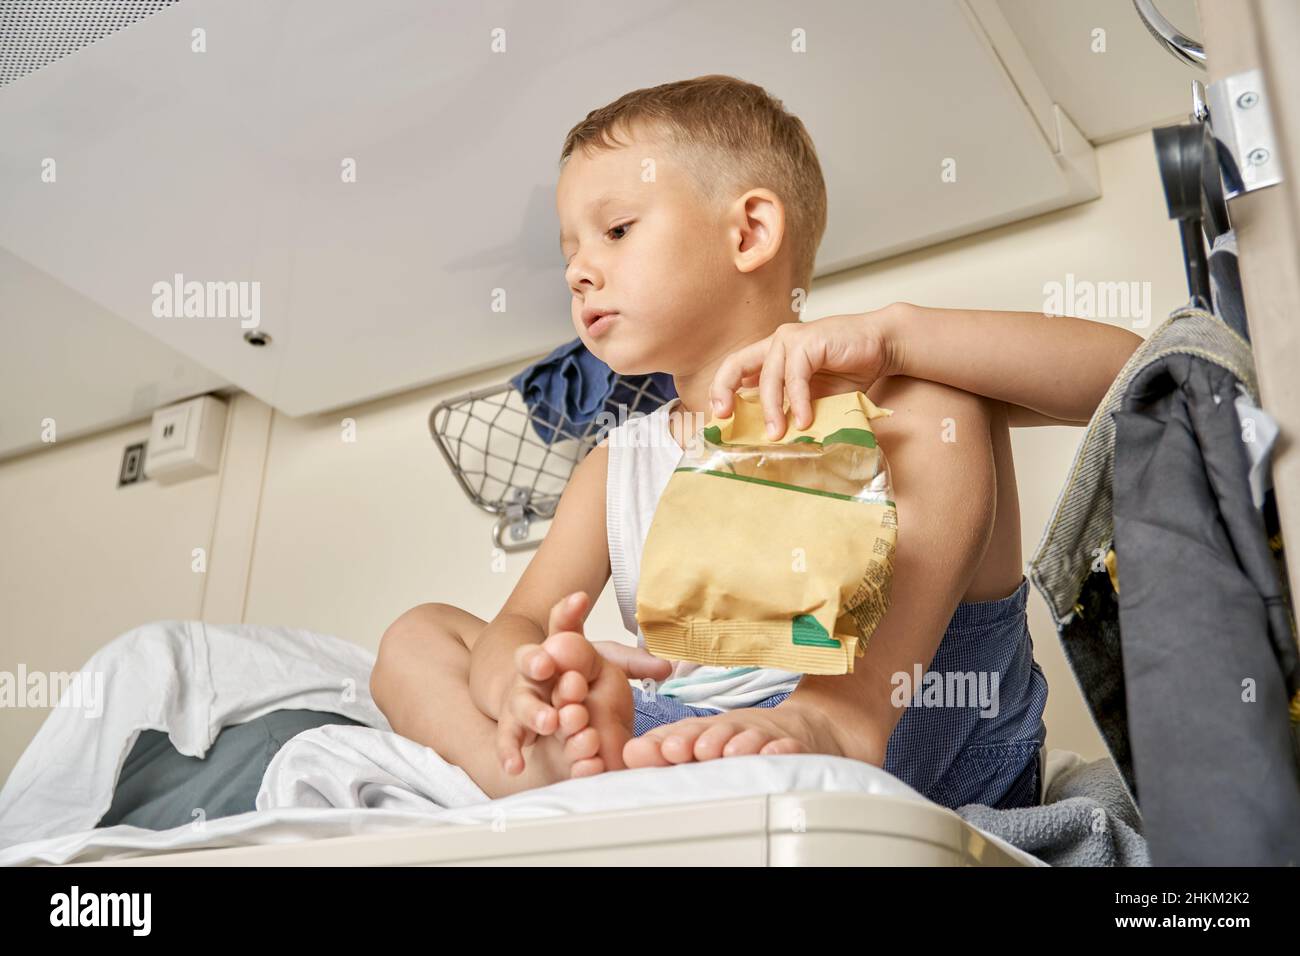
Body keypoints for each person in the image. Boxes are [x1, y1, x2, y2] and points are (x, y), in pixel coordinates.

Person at [371, 74, 1143, 808]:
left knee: (941, 393)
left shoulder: (880, 380)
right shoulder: (617, 461)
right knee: (417, 638)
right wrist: (522, 680)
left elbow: (1132, 381)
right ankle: (555, 780)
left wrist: (899, 337)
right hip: (703, 749)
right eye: (571, 252)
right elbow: (521, 620)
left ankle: (839, 714)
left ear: (749, 232)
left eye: (614, 231)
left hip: (921, 731)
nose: (577, 273)